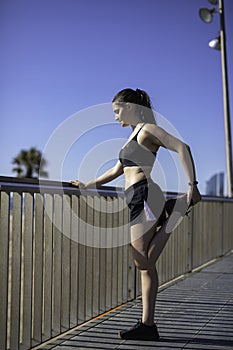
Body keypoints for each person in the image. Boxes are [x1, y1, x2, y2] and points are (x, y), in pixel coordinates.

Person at [70, 88, 201, 341]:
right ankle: (147, 325)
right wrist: (88, 184)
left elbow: (182, 147)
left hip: (145, 194)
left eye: (118, 112)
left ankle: (178, 209)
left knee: (142, 260)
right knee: (144, 267)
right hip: (136, 198)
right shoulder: (133, 136)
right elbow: (116, 170)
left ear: (130, 106)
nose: (116, 118)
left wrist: (191, 186)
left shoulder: (148, 130)